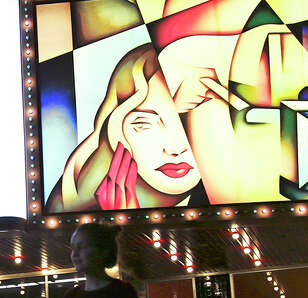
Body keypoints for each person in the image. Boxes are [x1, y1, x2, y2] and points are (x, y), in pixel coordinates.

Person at [47, 44, 211, 212]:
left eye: (186, 122)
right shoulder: (71, 206)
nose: (175, 148)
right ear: (116, 133)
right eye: (144, 124)